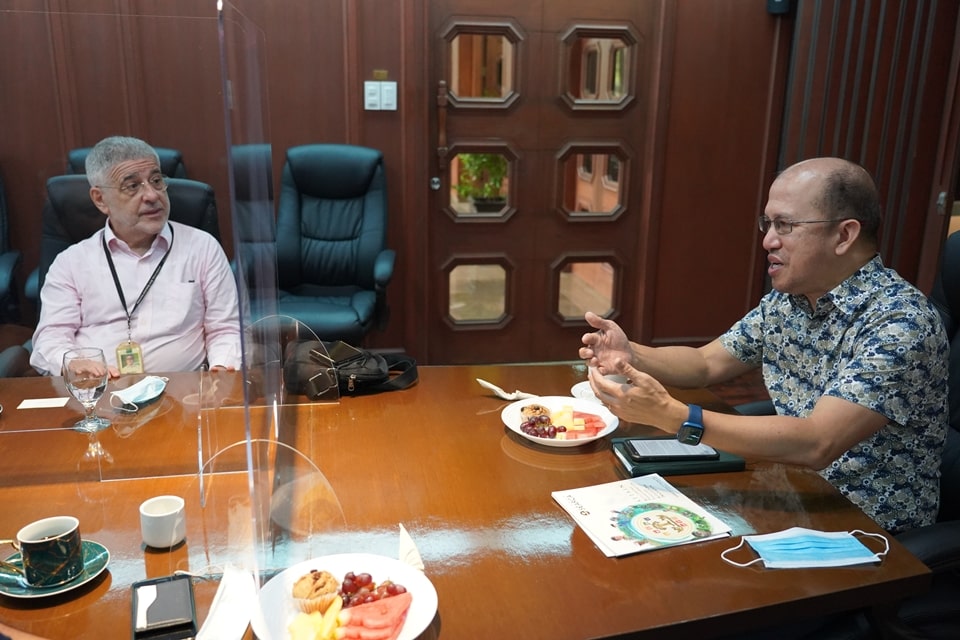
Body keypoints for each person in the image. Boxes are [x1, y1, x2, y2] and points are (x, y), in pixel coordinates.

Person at [581, 157, 948, 534]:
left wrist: (675, 417)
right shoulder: (791, 299)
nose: (768, 240)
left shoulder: (901, 322)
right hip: (786, 489)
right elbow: (707, 363)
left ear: (844, 235)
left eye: (785, 225)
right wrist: (631, 355)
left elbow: (818, 443)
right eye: (768, 224)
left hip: (862, 527)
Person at [30, 136, 241, 378]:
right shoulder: (71, 263)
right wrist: (72, 363)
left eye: (156, 180)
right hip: (100, 396)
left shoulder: (202, 248)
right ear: (100, 199)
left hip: (185, 398)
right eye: (132, 186)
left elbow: (225, 328)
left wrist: (223, 369)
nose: (152, 195)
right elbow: (49, 339)